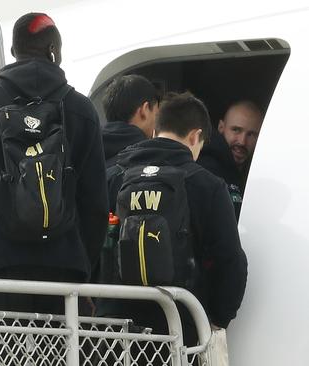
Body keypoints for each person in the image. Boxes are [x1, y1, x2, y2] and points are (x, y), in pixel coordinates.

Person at [0, 13, 108, 315]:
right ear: (56, 50)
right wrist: (84, 268)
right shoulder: (81, 110)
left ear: (14, 52)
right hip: (63, 273)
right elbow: (95, 206)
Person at [100, 92, 248, 349]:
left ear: (156, 130)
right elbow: (231, 261)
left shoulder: (113, 176)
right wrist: (216, 319)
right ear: (194, 136)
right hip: (180, 329)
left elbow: (93, 239)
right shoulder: (207, 184)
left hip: (116, 331)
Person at [197, 100, 263, 218]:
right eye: (236, 130)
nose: (242, 141)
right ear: (221, 127)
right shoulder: (204, 171)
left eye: (251, 134)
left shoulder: (260, 173)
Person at [101, 74, 160, 167]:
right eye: (156, 115)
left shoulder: (87, 148)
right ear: (144, 110)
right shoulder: (148, 161)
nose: (156, 124)